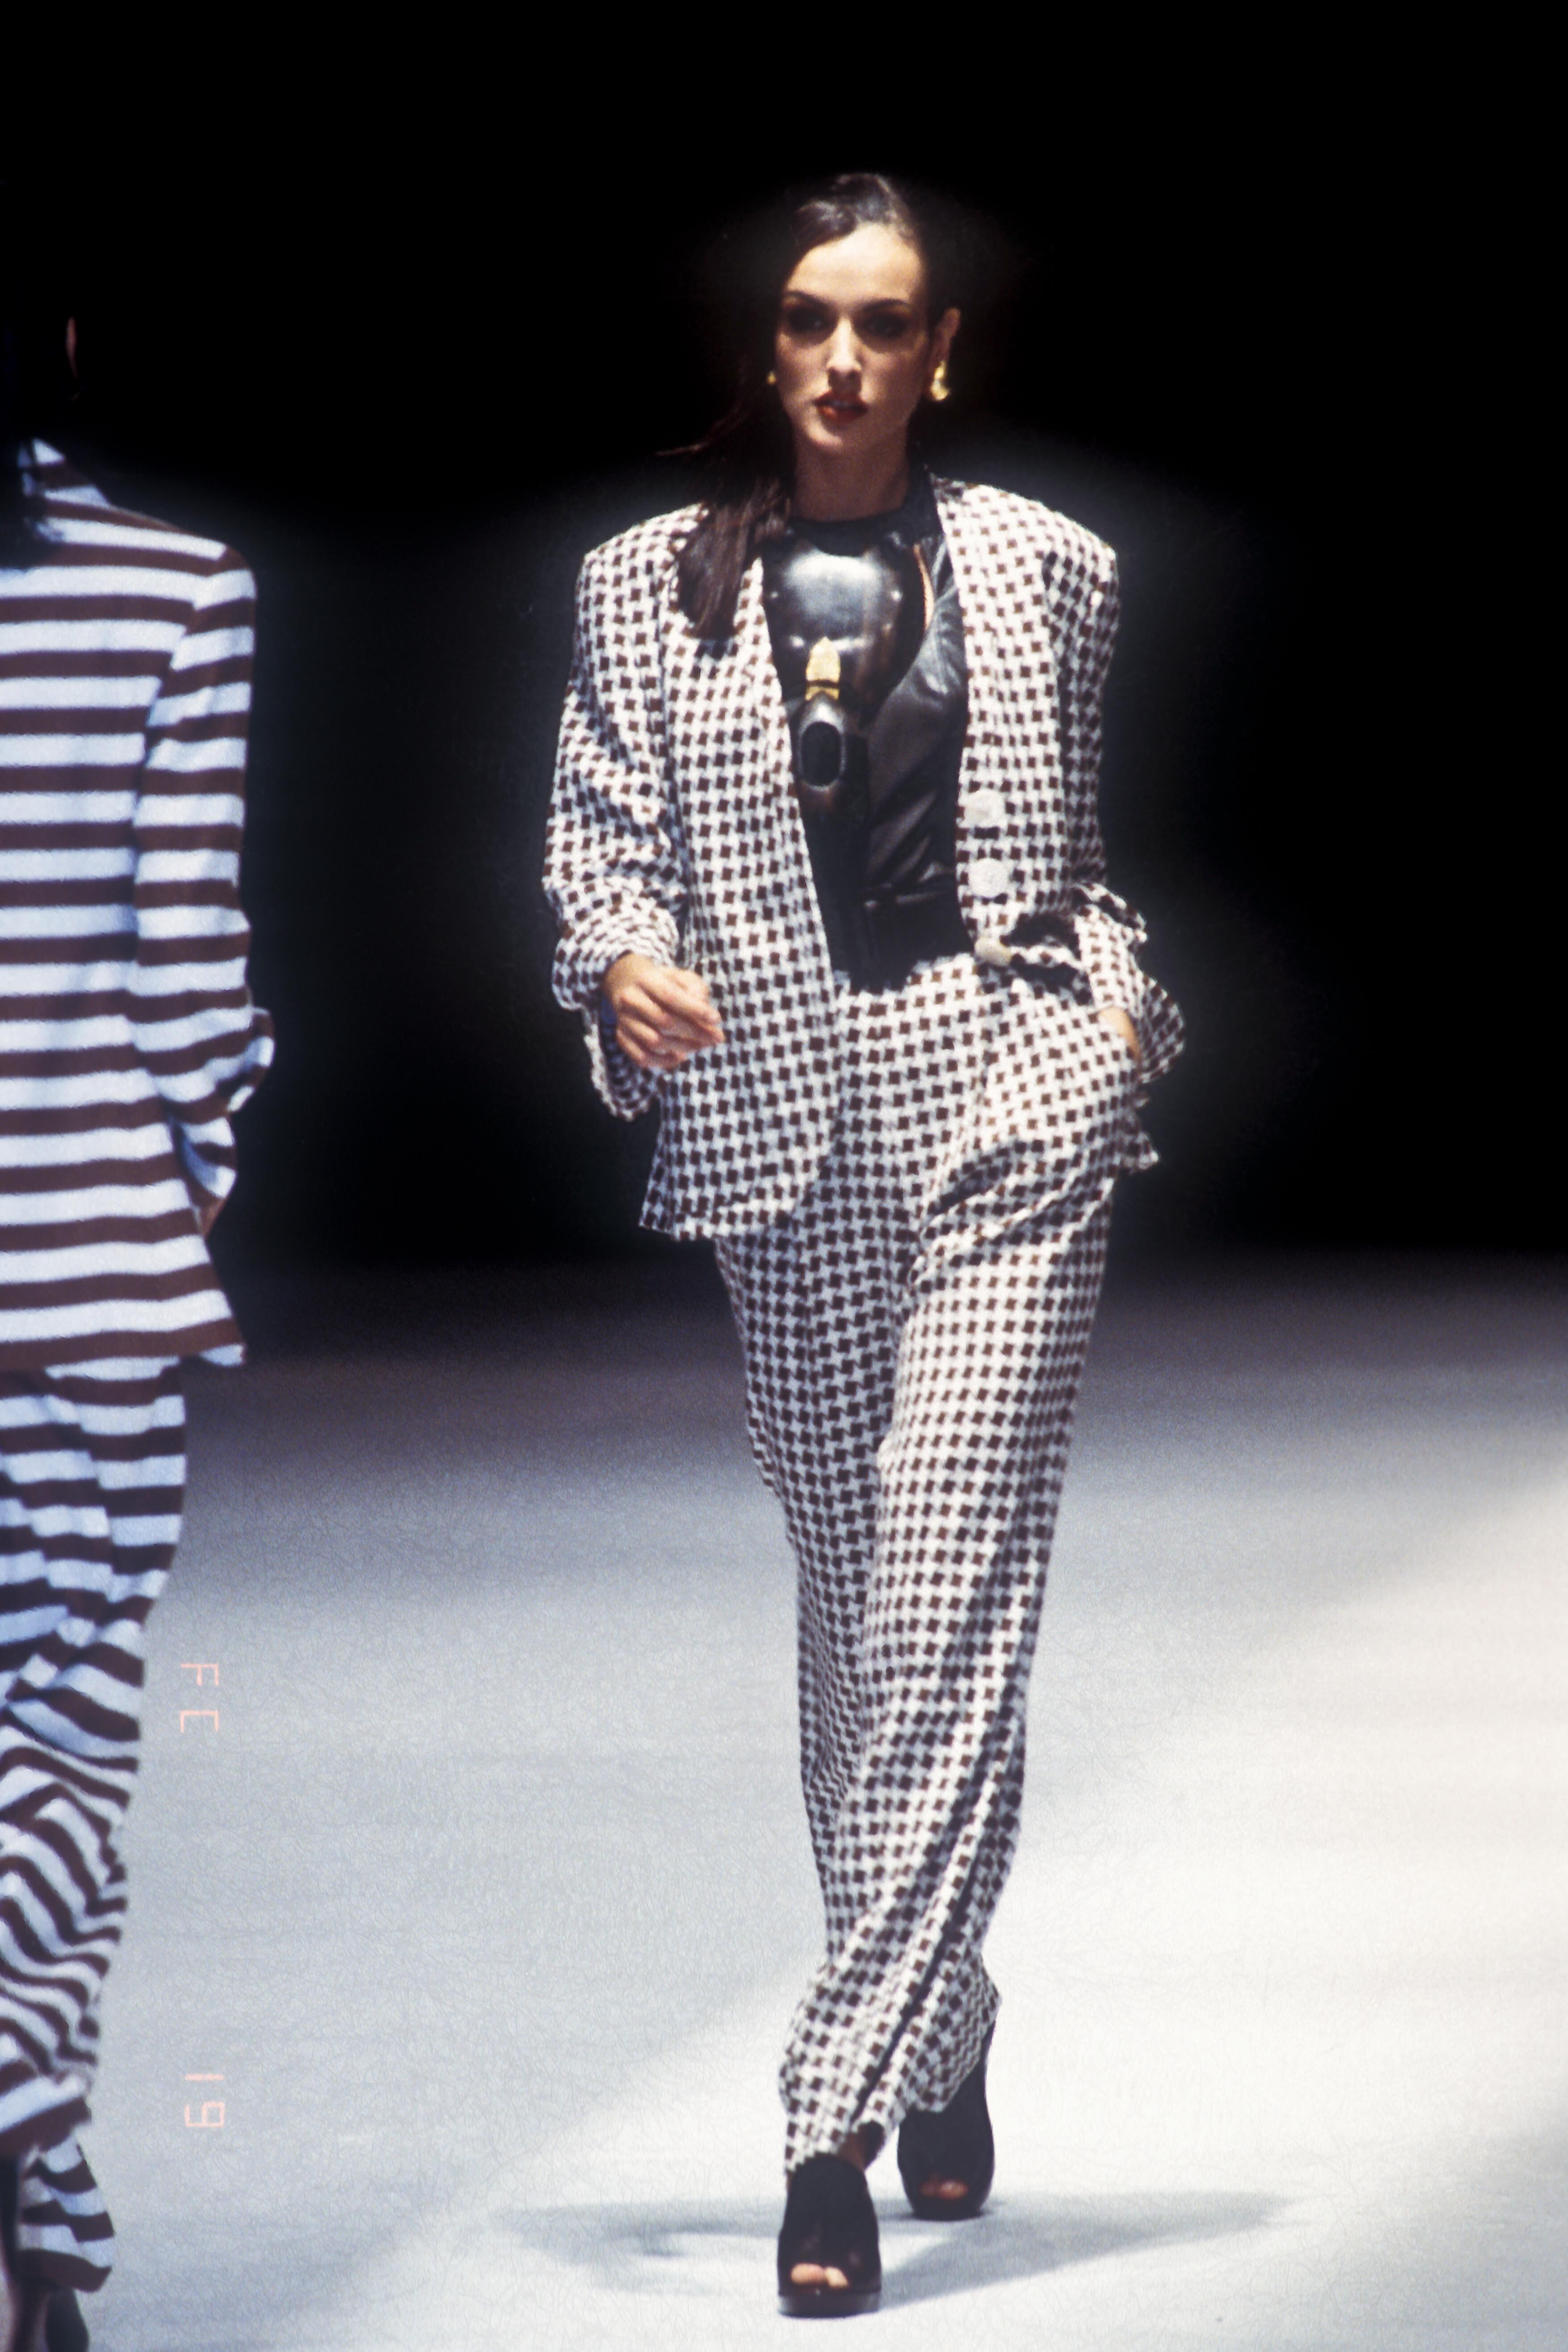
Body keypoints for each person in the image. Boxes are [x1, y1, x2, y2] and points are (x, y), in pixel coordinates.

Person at [544, 171, 1182, 2319]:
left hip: (1003, 1097)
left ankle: (825, 2117)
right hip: (776, 1120)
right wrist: (616, 963)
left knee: (939, 1595)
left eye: (882, 322)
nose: (842, 357)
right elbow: (595, 847)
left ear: (939, 350)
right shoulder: (643, 583)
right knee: (854, 1624)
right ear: (765, 340)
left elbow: (1068, 854)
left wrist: (1111, 1015)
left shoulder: (1052, 566)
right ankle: (947, 2020)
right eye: (811, 318)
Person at [0, 281, 272, 2351]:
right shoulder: (173, 588)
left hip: (84, 1260)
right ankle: (36, 2179)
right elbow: (182, 954)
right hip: (77, 1262)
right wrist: (201, 1155)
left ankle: (48, 2205)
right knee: (64, 1755)